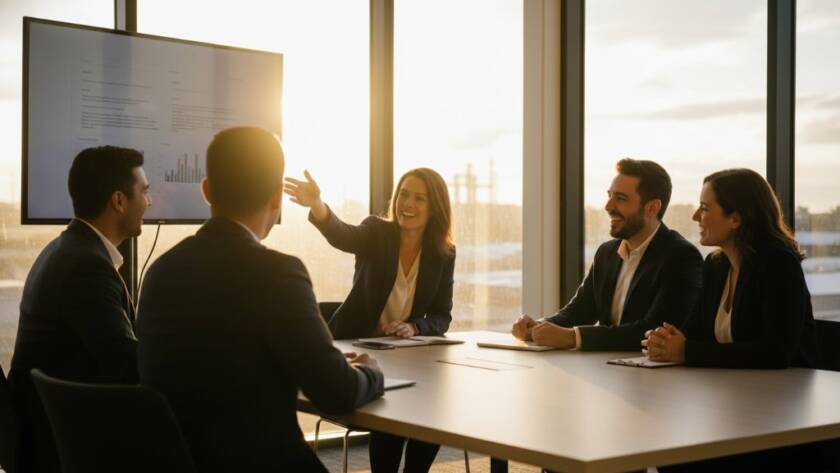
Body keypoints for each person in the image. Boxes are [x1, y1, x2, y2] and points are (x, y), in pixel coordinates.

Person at [137, 127, 384, 473]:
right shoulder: (278, 274)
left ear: (206, 191)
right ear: (276, 198)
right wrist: (371, 373)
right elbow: (336, 392)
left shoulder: (159, 273)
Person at [645, 168, 821, 471]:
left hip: (781, 418)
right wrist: (665, 341)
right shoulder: (716, 266)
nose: (695, 217)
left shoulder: (778, 264)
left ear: (736, 219)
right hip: (733, 406)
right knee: (667, 448)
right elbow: (694, 333)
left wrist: (687, 351)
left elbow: (776, 352)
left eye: (704, 208)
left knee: (678, 455)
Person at [285, 167, 455, 473]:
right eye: (404, 194)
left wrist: (415, 326)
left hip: (409, 354)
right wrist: (317, 206)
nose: (408, 204)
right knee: (392, 416)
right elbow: (343, 234)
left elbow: (443, 314)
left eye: (419, 198)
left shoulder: (443, 253)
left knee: (432, 411)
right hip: (364, 348)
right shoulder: (377, 232)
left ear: (435, 208)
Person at [9, 145, 150, 473]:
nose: (149, 202)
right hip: (63, 445)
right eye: (144, 192)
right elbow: (127, 365)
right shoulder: (86, 266)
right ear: (118, 201)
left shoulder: (67, 249)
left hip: (48, 433)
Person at [511, 158, 702, 351]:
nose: (608, 206)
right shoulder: (607, 252)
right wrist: (537, 327)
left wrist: (572, 338)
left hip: (657, 377)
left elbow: (652, 331)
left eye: (620, 198)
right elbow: (578, 312)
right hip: (607, 370)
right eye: (609, 196)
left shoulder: (681, 257)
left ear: (652, 208)